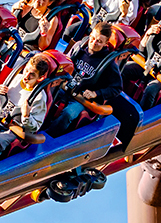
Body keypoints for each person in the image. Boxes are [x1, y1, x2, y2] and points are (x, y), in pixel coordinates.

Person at [53, 23, 142, 151]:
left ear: (106, 43)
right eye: (93, 38)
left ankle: (52, 139)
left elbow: (116, 89)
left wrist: (96, 93)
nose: (94, 43)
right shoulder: (79, 47)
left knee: (68, 113)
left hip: (81, 99)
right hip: (65, 88)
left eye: (99, 41)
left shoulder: (109, 64)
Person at [0, 53, 52, 158]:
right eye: (26, 70)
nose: (26, 76)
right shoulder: (16, 78)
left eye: (32, 74)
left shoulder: (40, 97)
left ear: (40, 78)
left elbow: (35, 126)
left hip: (15, 127)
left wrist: (26, 116)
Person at [11, 0, 86, 52]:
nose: (37, 1)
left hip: (27, 52)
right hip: (11, 43)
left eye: (42, 0)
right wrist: (14, 9)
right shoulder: (26, 6)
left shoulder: (51, 19)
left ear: (50, 3)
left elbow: (42, 46)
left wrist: (44, 32)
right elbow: (9, 25)